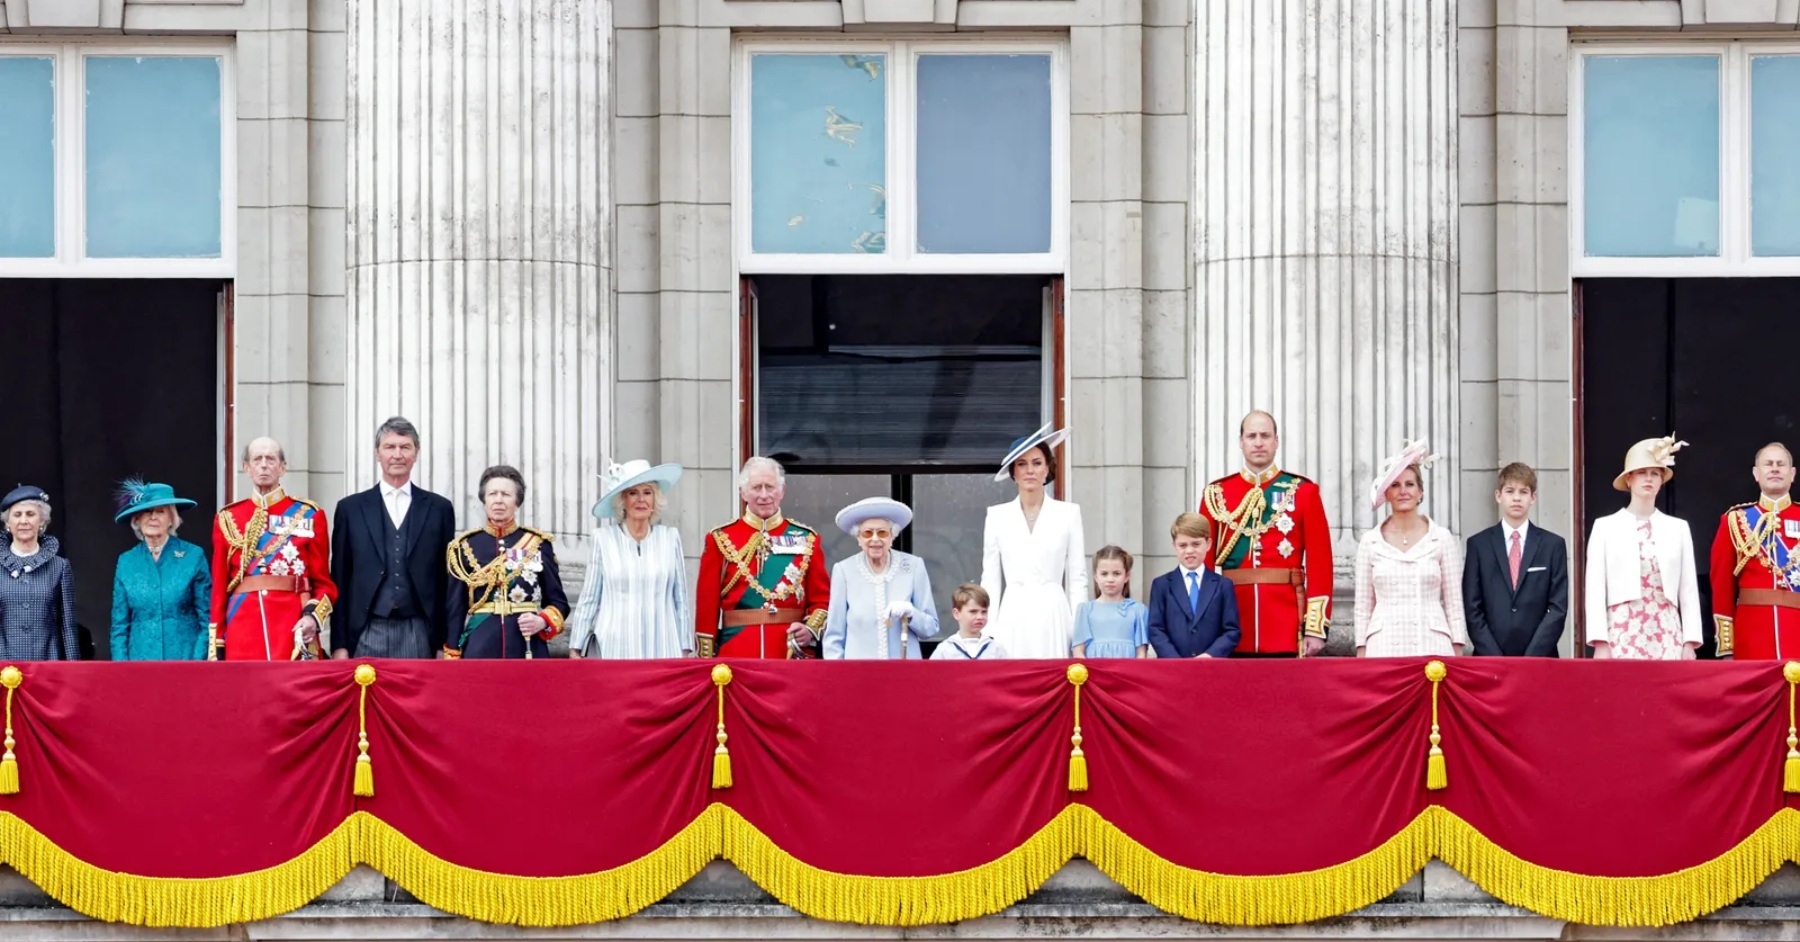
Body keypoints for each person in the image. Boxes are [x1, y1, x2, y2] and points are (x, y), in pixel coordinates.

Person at [1198, 411, 1333, 658]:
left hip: (1286, 624)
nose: (1258, 442)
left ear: (1276, 441)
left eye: (1265, 435)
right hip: (1232, 622)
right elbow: (1204, 567)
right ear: (1241, 442)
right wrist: (1206, 624)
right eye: (1251, 436)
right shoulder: (1217, 494)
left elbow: (1320, 563)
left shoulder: (1303, 492)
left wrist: (1315, 628)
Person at [330, 417, 457, 659]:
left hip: (419, 630)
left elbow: (446, 582)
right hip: (366, 629)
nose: (397, 454)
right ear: (378, 453)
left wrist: (444, 643)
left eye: (405, 447)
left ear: (416, 453)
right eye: (389, 447)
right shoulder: (351, 509)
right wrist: (340, 644)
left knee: (420, 697)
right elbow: (340, 578)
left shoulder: (439, 509)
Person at [208, 438, 337, 661]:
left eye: (271, 459)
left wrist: (312, 618)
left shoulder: (309, 514)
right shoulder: (228, 518)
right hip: (242, 629)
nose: (264, 464)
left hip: (291, 626)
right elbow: (220, 588)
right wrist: (217, 643)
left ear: (283, 468)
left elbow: (324, 584)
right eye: (257, 459)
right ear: (246, 468)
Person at [695, 457, 829, 659]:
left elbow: (822, 600)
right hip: (736, 652)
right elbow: (706, 607)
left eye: (770, 487)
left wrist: (809, 629)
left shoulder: (807, 538)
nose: (764, 495)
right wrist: (705, 660)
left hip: (789, 653)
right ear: (743, 493)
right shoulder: (720, 538)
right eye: (757, 487)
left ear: (782, 491)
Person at [1587, 436, 1703, 660]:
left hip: (1667, 630)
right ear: (1629, 479)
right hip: (1622, 630)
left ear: (1662, 481)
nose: (1648, 479)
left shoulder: (1678, 528)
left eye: (1655, 474)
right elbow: (1595, 589)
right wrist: (1600, 642)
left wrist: (1689, 641)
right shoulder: (1605, 527)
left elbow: (1688, 588)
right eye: (1642, 472)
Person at [981, 423, 1088, 659]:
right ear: (1013, 472)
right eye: (1022, 464)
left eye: (1037, 463)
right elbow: (990, 577)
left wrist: (1080, 632)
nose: (1030, 470)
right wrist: (989, 631)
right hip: (1013, 612)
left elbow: (1077, 578)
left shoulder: (1069, 513)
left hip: (1053, 611)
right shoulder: (997, 516)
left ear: (1048, 468)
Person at [1353, 440, 1468, 657]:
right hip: (1384, 645)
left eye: (1409, 484)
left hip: (1431, 643)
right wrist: (1361, 650)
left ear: (1420, 491)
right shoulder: (1370, 541)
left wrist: (1458, 647)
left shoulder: (1441, 538)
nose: (1402, 491)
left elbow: (1454, 601)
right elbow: (1363, 606)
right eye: (1395, 485)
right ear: (1386, 494)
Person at [567, 460, 690, 659]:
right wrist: (576, 647)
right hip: (615, 648)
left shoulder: (670, 538)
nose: (641, 499)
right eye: (633, 493)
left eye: (647, 492)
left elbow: (680, 598)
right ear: (622, 500)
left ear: (655, 500)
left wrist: (684, 647)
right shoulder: (603, 539)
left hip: (663, 647)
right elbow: (590, 597)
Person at [444, 465, 569, 659]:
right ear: (484, 500)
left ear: (517, 502)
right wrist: (452, 653)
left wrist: (542, 621)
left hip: (527, 646)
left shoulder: (537, 544)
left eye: (506, 494)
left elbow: (558, 602)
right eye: (493, 494)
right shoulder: (464, 546)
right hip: (481, 645)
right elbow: (455, 608)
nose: (499, 500)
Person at [1462, 463, 1569, 657]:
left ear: (1533, 498)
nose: (1517, 498)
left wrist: (1532, 657)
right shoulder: (1478, 545)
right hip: (1490, 659)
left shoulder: (1553, 545)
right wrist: (1494, 656)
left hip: (1540, 659)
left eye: (1524, 492)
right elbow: (1472, 608)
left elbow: (1557, 608)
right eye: (1510, 491)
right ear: (1498, 496)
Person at [1709, 442, 1800, 660]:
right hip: (1752, 635)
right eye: (1768, 464)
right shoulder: (1735, 520)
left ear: (1792, 473)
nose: (1775, 468)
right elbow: (1722, 587)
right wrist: (1726, 647)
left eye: (1781, 464)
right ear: (1756, 474)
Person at [823, 497, 939, 659]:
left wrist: (912, 613)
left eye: (882, 532)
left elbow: (930, 628)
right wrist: (839, 677)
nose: (875, 539)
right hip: (859, 674)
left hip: (903, 673)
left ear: (893, 536)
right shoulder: (844, 570)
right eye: (867, 533)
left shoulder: (913, 566)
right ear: (859, 538)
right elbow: (834, 637)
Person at [109, 480, 210, 660]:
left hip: (184, 659)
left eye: (161, 511)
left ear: (171, 518)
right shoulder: (126, 561)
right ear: (137, 519)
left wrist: (197, 663)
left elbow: (207, 617)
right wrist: (122, 668)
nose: (153, 517)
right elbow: (119, 625)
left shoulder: (193, 556)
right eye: (147, 511)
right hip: (140, 662)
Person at [0, 487, 77, 661]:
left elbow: (68, 626)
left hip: (48, 663)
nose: (24, 521)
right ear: (7, 523)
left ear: (42, 521)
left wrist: (74, 670)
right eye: (17, 515)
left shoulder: (60, 566)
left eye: (30, 514)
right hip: (3, 664)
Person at [1148, 513, 1240, 658]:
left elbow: (1232, 630)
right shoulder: (1161, 585)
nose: (1189, 551)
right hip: (1173, 668)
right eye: (1183, 545)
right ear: (1174, 546)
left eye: (1196, 544)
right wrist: (1176, 661)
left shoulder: (1223, 585)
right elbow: (1156, 629)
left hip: (1211, 667)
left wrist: (1210, 655)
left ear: (1208, 544)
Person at [1073, 545, 1148, 658]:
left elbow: (1141, 653)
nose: (1110, 579)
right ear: (1096, 577)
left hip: (1126, 673)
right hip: (1095, 673)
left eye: (1116, 573)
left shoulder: (1138, 610)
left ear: (1127, 576)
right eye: (1104, 574)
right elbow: (1078, 651)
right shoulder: (1085, 610)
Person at [931, 584, 1008, 660]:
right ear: (957, 614)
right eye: (973, 611)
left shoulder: (996, 649)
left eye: (984, 612)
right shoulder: (945, 650)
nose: (980, 617)